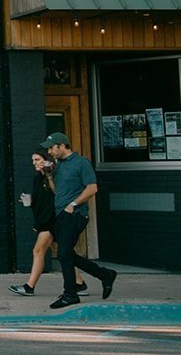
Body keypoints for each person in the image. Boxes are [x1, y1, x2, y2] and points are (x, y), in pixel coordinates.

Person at [41, 132, 118, 308]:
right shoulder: (59, 166)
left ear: (61, 146)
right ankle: (105, 275)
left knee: (63, 253)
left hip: (75, 214)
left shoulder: (81, 163)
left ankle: (70, 294)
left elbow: (92, 188)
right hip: (61, 213)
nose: (50, 151)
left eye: (52, 148)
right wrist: (50, 176)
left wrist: (73, 204)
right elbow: (57, 191)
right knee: (68, 254)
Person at [8, 147, 87, 297]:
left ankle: (29, 286)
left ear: (47, 161)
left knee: (38, 251)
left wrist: (39, 224)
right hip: (45, 220)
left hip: (52, 220)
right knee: (63, 252)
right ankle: (79, 283)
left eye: (37, 160)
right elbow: (42, 201)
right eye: (33, 160)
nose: (34, 163)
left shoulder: (54, 177)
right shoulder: (37, 178)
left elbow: (56, 198)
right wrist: (31, 201)